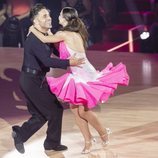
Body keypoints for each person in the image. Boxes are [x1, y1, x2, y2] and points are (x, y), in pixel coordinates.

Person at [30, 7, 129, 154]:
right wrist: (50, 33)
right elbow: (55, 43)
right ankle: (88, 140)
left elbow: (45, 39)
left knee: (83, 111)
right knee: (75, 110)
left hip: (85, 76)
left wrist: (33, 28)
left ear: (65, 19)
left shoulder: (63, 34)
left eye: (60, 15)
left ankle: (103, 132)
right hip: (78, 75)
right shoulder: (72, 33)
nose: (58, 17)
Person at [11, 4, 85, 154]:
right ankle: (50, 144)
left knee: (42, 114)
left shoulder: (45, 36)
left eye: (49, 15)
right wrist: (69, 62)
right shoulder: (33, 39)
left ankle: (21, 134)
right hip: (31, 81)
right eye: (44, 16)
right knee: (54, 110)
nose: (49, 18)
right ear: (35, 22)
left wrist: (67, 50)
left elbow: (56, 53)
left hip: (36, 79)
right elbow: (47, 61)